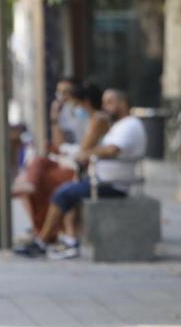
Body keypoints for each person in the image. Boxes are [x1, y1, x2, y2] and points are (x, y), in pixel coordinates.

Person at [15, 89, 144, 260]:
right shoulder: (118, 125)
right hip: (100, 179)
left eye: (109, 102)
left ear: (123, 104)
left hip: (112, 184)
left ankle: (43, 242)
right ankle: (66, 240)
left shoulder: (129, 125)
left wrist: (86, 154)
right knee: (61, 184)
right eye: (104, 102)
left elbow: (111, 150)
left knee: (62, 192)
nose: (105, 106)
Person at [14, 82, 111, 236]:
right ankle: (41, 230)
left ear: (85, 101)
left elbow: (83, 151)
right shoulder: (84, 117)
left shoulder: (98, 119)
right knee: (39, 163)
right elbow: (61, 145)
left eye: (75, 103)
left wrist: (65, 151)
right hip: (77, 163)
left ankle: (43, 234)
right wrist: (54, 117)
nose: (72, 106)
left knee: (43, 182)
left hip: (84, 168)